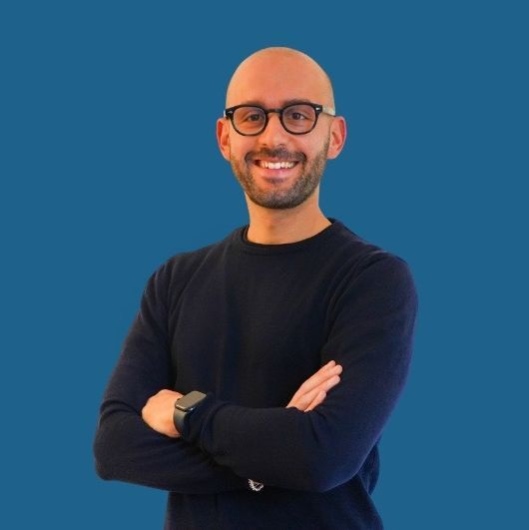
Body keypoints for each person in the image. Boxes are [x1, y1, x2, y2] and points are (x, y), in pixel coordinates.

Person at [93, 46, 418, 529]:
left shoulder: (373, 280)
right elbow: (115, 446)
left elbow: (323, 457)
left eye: (299, 115)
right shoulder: (174, 281)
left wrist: (188, 414)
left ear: (335, 136)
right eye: (252, 116)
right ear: (225, 138)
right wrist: (275, 453)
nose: (274, 136)